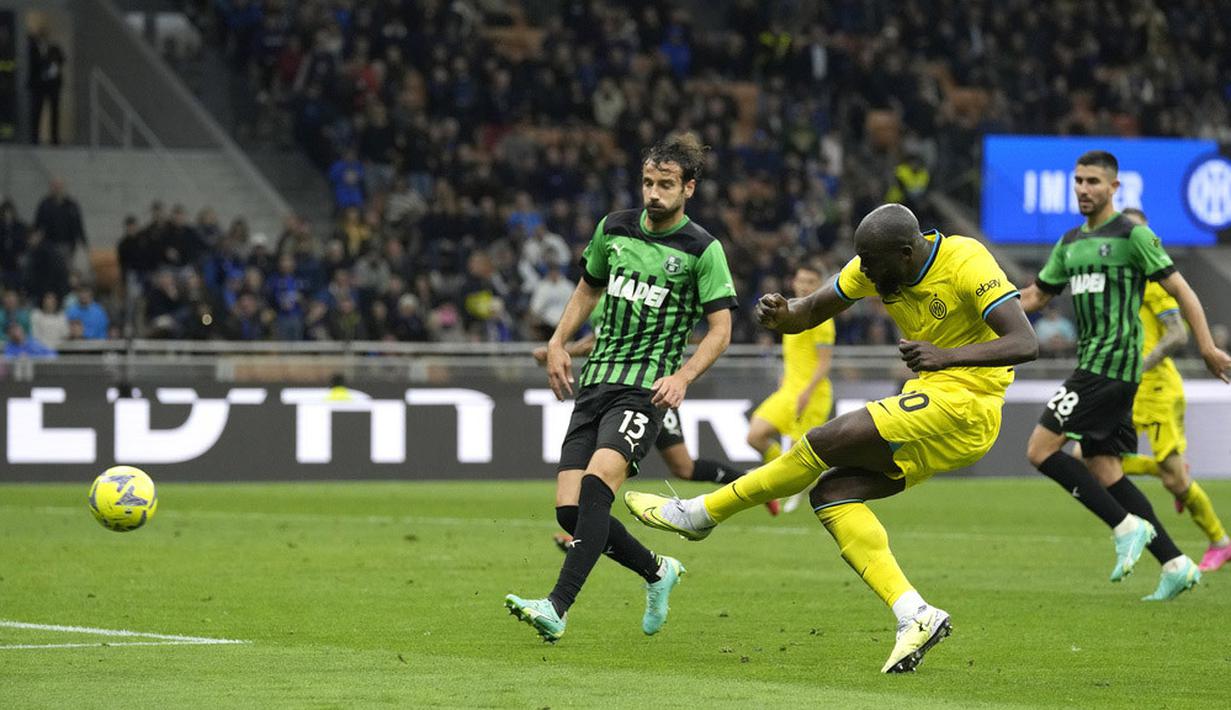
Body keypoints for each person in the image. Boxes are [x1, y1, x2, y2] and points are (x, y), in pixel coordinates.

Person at [625, 203, 1038, 673]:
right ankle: (915, 613)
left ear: (906, 253)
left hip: (968, 401)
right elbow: (811, 310)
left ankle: (702, 513)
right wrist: (782, 313)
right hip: (938, 403)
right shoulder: (876, 263)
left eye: (872, 263)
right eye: (860, 260)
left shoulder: (966, 262)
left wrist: (945, 356)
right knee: (832, 494)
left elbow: (1025, 342)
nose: (864, 272)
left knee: (824, 440)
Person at [505, 133, 738, 643]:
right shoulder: (613, 229)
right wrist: (559, 341)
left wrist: (682, 376)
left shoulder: (703, 250)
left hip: (643, 390)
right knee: (570, 510)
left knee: (596, 487)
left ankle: (557, 606)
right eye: (649, 183)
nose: (654, 194)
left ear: (689, 188)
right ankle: (657, 570)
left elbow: (720, 330)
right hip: (596, 384)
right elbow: (588, 288)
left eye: (667, 185)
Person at [1018, 151, 1231, 601]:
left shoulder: (1134, 236)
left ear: (1114, 188)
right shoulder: (1070, 242)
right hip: (1103, 368)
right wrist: (983, 309)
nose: (1083, 189)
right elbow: (1036, 295)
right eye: (1077, 180)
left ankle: (1124, 525)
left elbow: (1181, 289)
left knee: (1040, 449)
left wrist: (1207, 346)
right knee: (1104, 467)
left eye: (1093, 181)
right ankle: (1175, 562)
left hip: (1108, 367)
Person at [532, 293, 765, 554]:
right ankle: (583, 535)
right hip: (613, 390)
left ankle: (749, 482)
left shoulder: (642, 289)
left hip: (650, 390)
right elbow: (596, 342)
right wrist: (563, 349)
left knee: (681, 467)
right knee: (601, 471)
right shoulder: (603, 297)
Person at [1099, 208, 1231, 572]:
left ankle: (1220, 541)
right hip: (1127, 387)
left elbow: (1177, 334)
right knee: (1088, 457)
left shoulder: (1154, 281)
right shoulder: (1118, 280)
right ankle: (1166, 470)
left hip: (1156, 388)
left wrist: (1137, 366)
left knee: (1175, 480)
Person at [746, 264, 835, 513]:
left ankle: (798, 483)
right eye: (802, 280)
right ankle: (795, 480)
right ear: (793, 282)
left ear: (819, 286)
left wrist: (807, 391)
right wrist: (786, 377)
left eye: (811, 282)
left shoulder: (821, 318)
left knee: (800, 453)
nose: (805, 286)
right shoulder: (791, 312)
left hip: (812, 394)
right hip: (788, 391)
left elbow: (825, 362)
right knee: (754, 435)